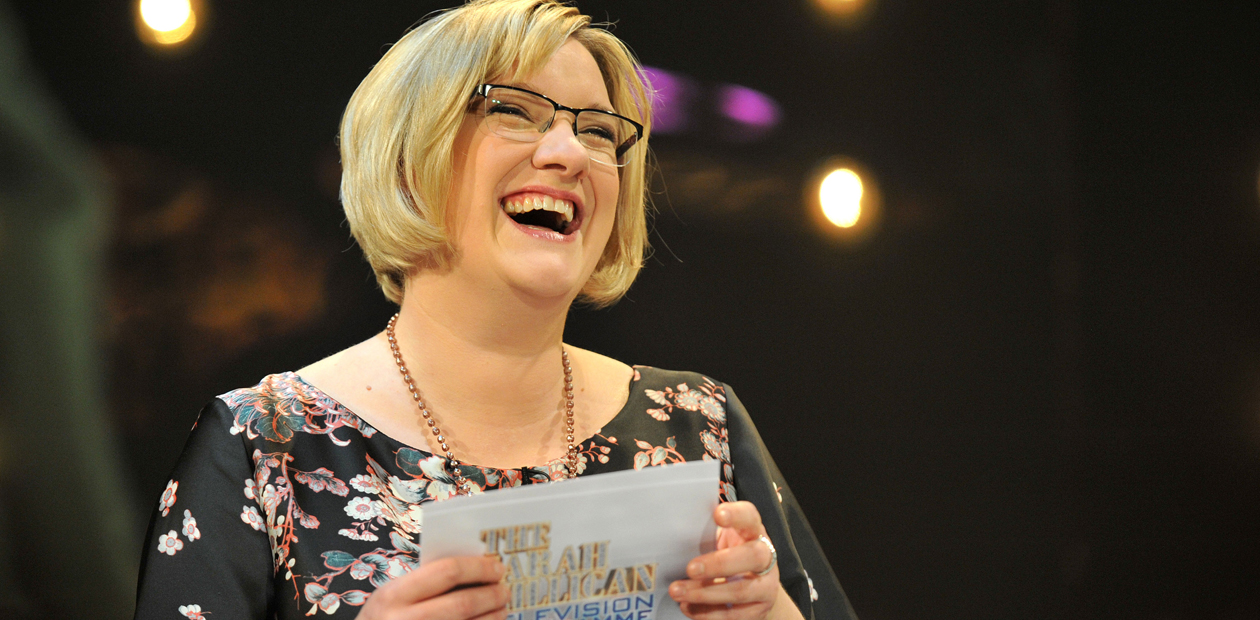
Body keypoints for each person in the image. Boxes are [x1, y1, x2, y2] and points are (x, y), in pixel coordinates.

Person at [133, 1, 857, 618]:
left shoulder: (700, 423)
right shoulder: (264, 444)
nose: (570, 153)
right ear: (409, 161)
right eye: (512, 111)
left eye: (600, 131)